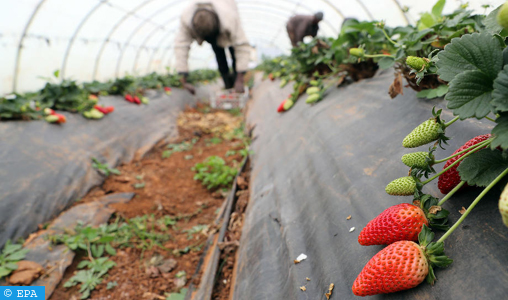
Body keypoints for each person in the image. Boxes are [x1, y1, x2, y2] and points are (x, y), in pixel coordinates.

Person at [174, 0, 250, 95]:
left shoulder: (229, 18)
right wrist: (182, 78)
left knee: (234, 54)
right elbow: (181, 46)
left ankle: (236, 82)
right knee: (219, 56)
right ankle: (228, 85)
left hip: (226, 29)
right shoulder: (186, 18)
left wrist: (240, 79)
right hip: (215, 27)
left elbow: (242, 46)